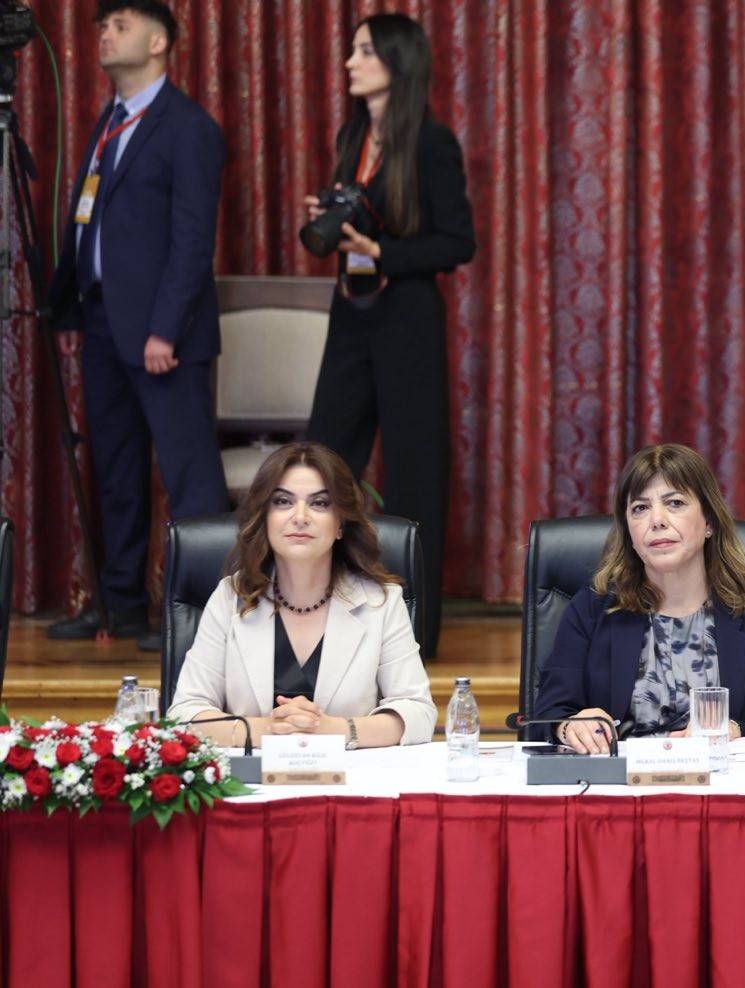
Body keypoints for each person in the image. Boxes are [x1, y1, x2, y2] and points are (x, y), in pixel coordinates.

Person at [46, 0, 230, 647]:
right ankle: (120, 604)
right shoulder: (110, 122)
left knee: (189, 477)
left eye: (119, 25)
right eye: (101, 26)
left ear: (158, 42)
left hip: (163, 335)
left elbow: (192, 240)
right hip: (103, 324)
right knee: (117, 472)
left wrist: (165, 329)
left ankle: (202, 616)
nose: (103, 34)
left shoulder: (188, 127)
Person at [303, 13, 475, 658]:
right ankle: (313, 610)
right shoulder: (353, 134)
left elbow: (458, 241)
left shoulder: (431, 142)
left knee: (414, 474)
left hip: (407, 318)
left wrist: (383, 251)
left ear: (397, 63)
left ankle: (413, 633)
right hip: (352, 312)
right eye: (352, 50)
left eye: (364, 51)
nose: (350, 62)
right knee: (323, 460)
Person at [529, 444, 745, 751]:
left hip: (720, 776)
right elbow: (547, 716)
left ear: (709, 522)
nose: (657, 520)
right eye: (640, 508)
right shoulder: (592, 610)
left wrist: (735, 732)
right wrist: (570, 726)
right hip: (621, 777)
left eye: (675, 503)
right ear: (629, 532)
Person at [168, 442, 436, 749]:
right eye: (283, 502)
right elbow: (184, 715)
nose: (300, 517)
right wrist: (267, 730)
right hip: (253, 775)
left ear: (340, 524)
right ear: (265, 517)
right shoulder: (230, 597)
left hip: (349, 776)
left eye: (319, 503)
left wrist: (335, 730)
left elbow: (418, 714)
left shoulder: (381, 602)